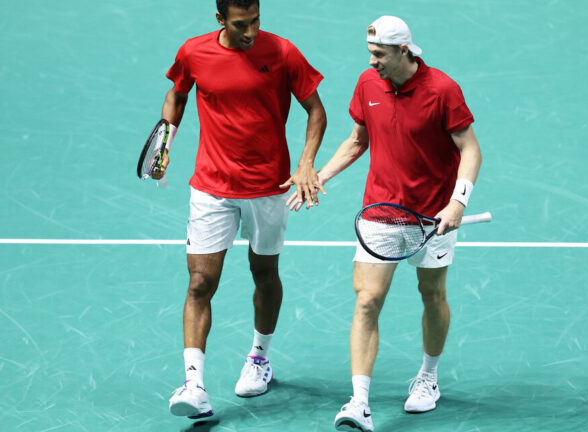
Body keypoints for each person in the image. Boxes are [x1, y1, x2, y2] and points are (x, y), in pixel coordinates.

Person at [289, 16, 482, 431]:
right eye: (370, 52)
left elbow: (470, 149)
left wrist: (458, 203)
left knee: (432, 293)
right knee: (366, 300)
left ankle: (428, 378)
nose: (372, 60)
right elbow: (358, 140)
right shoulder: (367, 83)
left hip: (432, 215)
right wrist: (319, 176)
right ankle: (359, 402)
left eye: (379, 54)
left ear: (404, 52)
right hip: (380, 213)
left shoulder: (442, 90)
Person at [158, 0, 327, 419]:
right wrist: (165, 141)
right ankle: (194, 384)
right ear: (219, 19)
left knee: (264, 273)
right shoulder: (194, 52)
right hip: (211, 187)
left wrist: (306, 163)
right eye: (240, 24)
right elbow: (176, 96)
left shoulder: (283, 53)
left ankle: (259, 359)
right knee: (200, 282)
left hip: (269, 187)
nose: (249, 31)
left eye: (255, 21)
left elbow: (316, 111)